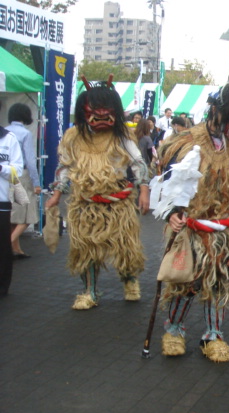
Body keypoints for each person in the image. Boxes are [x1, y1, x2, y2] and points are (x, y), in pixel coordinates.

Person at [157, 70, 229, 362]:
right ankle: (174, 329)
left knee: (219, 283)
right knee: (185, 283)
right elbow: (167, 182)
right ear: (217, 114)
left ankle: (212, 335)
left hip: (224, 231)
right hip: (191, 228)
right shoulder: (188, 142)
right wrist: (171, 214)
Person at [45, 79, 150, 310]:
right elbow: (65, 167)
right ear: (84, 110)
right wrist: (56, 194)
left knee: (125, 247)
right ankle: (90, 291)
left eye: (107, 111)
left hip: (117, 204)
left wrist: (144, 190)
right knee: (86, 249)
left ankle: (129, 280)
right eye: (96, 111)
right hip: (85, 204)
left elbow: (138, 163)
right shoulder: (73, 136)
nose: (102, 116)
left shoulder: (121, 135)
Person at [6, 103, 40, 258]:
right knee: (28, 215)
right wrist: (37, 183)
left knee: (13, 215)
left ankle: (16, 249)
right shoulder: (25, 134)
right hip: (22, 175)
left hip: (6, 175)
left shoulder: (5, 131)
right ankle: (6, 245)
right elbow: (30, 161)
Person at [0, 100, 24, 296]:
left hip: (1, 201)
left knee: (3, 246)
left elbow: (18, 170)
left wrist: (1, 168)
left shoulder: (9, 139)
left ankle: (2, 286)